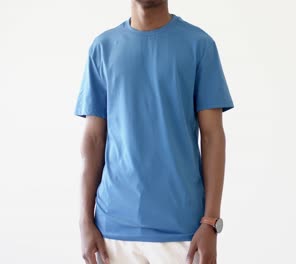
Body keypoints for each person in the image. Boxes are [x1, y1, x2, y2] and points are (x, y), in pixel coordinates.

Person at [73, 0, 234, 263]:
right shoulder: (103, 47)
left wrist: (210, 222)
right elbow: (93, 139)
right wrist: (84, 221)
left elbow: (213, 136)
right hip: (111, 231)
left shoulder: (199, 44)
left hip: (184, 231)